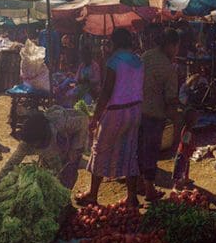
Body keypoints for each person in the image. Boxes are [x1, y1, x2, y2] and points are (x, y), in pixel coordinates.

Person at [79, 29, 148, 205]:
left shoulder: (114, 61)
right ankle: (131, 197)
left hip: (116, 112)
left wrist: (95, 117)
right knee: (130, 152)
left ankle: (93, 195)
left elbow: (106, 92)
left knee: (100, 149)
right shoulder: (138, 60)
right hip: (135, 111)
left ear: (115, 42)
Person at [140, 29, 184, 186]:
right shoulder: (168, 68)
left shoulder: (145, 56)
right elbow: (170, 100)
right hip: (154, 115)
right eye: (177, 46)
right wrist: (179, 119)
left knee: (139, 150)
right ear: (171, 45)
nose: (177, 50)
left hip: (137, 110)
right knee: (151, 153)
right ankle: (149, 188)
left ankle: (138, 184)